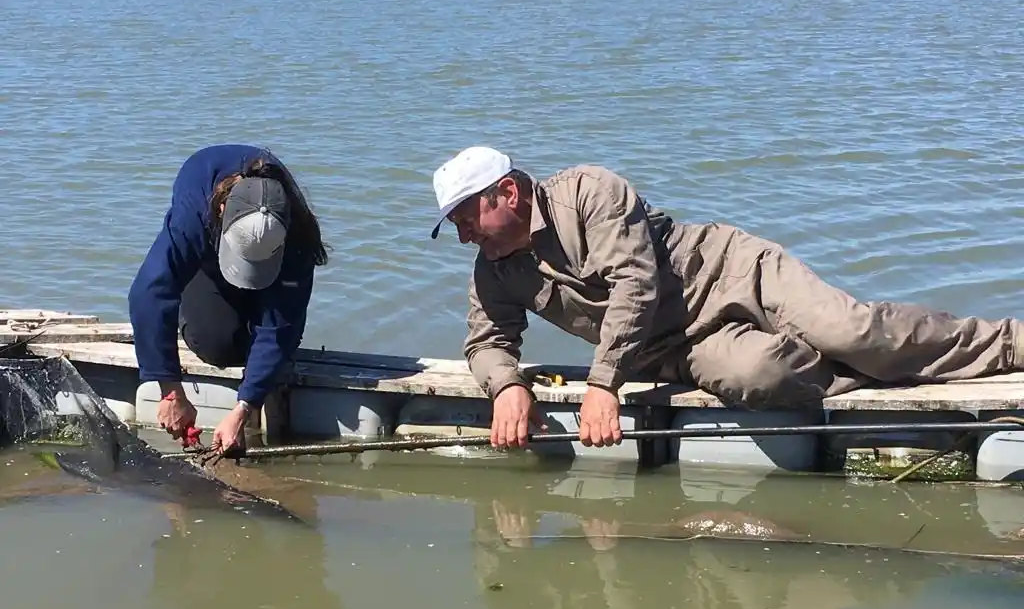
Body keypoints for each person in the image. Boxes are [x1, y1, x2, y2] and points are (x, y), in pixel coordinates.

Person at [429, 146, 1024, 450]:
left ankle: (1008, 342)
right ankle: (850, 368)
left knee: (855, 333)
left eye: (465, 218)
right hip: (679, 348)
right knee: (759, 376)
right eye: (453, 225)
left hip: (736, 274)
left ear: (507, 193)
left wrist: (603, 385)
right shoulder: (495, 269)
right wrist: (507, 384)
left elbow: (636, 285)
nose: (463, 235)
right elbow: (484, 340)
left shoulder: (590, 190)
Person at [129, 144, 329, 453]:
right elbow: (148, 293)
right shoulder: (193, 216)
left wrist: (242, 408)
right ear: (222, 210)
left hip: (277, 260)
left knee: (279, 345)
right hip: (210, 262)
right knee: (218, 346)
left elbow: (281, 326)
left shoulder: (299, 232)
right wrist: (170, 391)